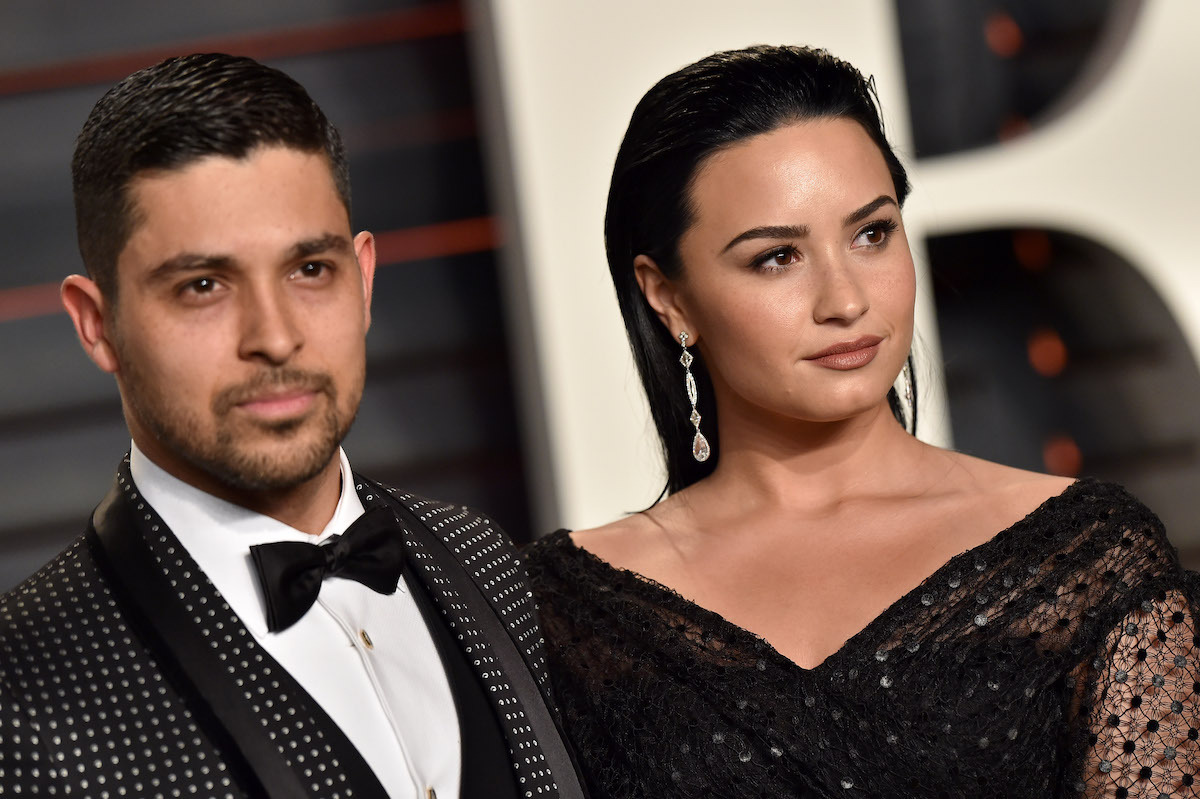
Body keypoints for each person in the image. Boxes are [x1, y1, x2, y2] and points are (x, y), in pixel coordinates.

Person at [524, 44, 1200, 797]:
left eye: (871, 233)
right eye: (778, 256)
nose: (845, 300)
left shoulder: (1087, 559)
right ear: (668, 297)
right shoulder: (564, 611)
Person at [0, 53, 585, 799]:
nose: (274, 337)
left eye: (309, 269)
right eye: (203, 285)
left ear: (364, 278)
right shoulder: (21, 697)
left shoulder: (485, 560)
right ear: (97, 323)